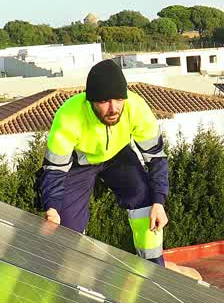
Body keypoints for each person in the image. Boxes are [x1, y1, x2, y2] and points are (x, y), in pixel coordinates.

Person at [38, 59, 169, 265]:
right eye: (104, 102)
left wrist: (159, 201)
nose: (113, 108)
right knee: (65, 227)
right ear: (90, 101)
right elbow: (54, 169)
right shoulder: (69, 116)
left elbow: (156, 158)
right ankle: (67, 276)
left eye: (118, 99)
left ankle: (154, 267)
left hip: (118, 156)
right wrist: (52, 207)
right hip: (80, 163)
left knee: (144, 197)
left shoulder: (136, 108)